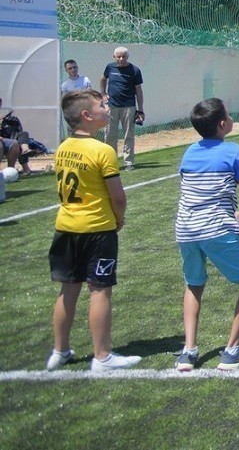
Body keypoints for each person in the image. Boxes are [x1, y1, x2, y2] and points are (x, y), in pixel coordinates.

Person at [173, 98, 239, 372]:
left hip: (185, 228)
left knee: (193, 284)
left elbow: (197, 191)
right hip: (216, 228)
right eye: (229, 116)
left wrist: (234, 213)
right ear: (223, 124)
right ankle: (232, 353)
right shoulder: (234, 152)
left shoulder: (189, 152)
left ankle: (188, 352)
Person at [45, 88, 141, 372]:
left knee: (68, 290)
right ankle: (102, 357)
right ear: (87, 115)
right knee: (99, 291)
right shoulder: (102, 150)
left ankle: (60, 351)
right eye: (102, 105)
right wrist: (119, 220)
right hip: (97, 230)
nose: (107, 108)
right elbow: (118, 197)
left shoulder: (63, 147)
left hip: (65, 227)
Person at [99, 47, 144, 170]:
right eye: (118, 56)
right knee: (109, 136)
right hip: (111, 106)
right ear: (114, 57)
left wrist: (140, 110)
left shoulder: (135, 70)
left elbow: (139, 91)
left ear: (128, 57)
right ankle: (111, 162)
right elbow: (103, 79)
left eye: (124, 56)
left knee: (128, 135)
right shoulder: (110, 67)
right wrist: (103, 93)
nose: (121, 59)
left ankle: (128, 162)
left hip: (129, 107)